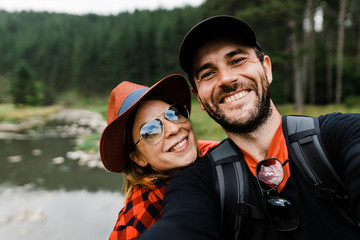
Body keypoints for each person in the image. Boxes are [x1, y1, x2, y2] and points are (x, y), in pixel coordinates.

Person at [140, 15, 360, 239]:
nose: (226, 79)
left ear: (267, 68)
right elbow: (180, 225)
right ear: (199, 98)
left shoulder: (340, 135)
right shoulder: (197, 182)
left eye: (237, 60)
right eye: (208, 73)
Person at [99, 74, 219, 240]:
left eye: (174, 114)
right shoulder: (136, 223)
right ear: (138, 158)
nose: (174, 129)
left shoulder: (216, 151)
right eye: (151, 130)